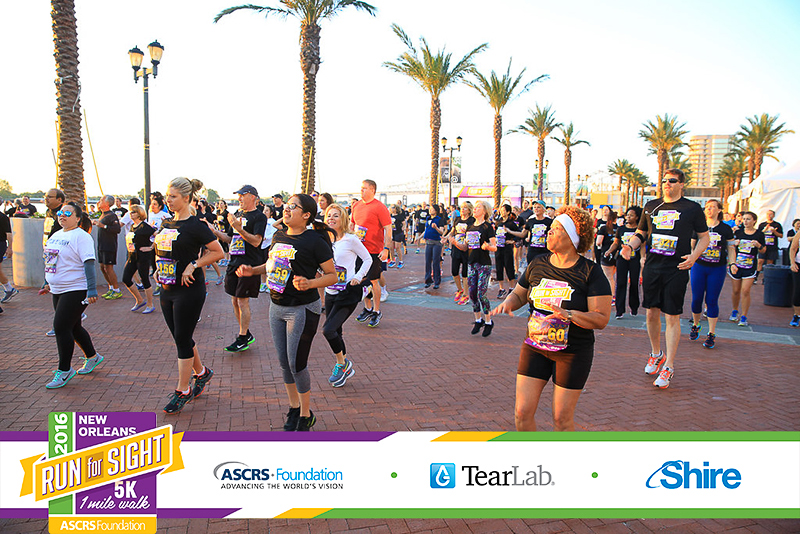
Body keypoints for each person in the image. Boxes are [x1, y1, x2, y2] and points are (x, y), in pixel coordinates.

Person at [491, 205, 611, 431]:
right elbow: (520, 294)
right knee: (521, 413)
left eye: (556, 228)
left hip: (572, 353)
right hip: (535, 347)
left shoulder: (590, 272)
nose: (549, 232)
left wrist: (569, 314)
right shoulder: (538, 263)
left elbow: (601, 318)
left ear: (572, 237)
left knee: (561, 420)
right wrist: (509, 302)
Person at [237, 194, 337, 431]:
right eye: (287, 205)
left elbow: (333, 276)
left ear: (306, 215)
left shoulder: (314, 241)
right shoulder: (279, 236)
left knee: (297, 364)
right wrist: (253, 270)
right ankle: (294, 407)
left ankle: (305, 414)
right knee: (284, 362)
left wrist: (310, 283)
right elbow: (271, 264)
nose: (287, 209)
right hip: (276, 307)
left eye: (294, 206)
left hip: (302, 309)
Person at [620, 168, 709, 389]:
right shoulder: (651, 206)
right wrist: (630, 246)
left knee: (672, 316)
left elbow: (704, 237)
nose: (667, 183)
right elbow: (641, 233)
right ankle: (656, 353)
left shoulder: (692, 208)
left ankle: (669, 365)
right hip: (653, 267)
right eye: (664, 180)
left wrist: (694, 256)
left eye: (672, 180)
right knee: (651, 313)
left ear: (681, 184)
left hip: (676, 268)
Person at [154, 177, 224, 414]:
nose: (168, 200)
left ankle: (182, 390)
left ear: (186, 198)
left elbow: (218, 252)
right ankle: (202, 373)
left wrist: (194, 264)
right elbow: (163, 251)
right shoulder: (167, 223)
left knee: (182, 338)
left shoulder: (196, 225)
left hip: (189, 289)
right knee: (180, 337)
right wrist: (158, 268)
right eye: (167, 196)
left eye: (173, 196)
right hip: (167, 288)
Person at [40, 202, 104, 388]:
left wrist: (91, 289)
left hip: (76, 288)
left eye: (67, 213)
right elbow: (51, 261)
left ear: (77, 218)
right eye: (61, 212)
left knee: (60, 327)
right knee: (74, 327)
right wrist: (47, 282)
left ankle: (65, 370)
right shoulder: (56, 235)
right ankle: (92, 356)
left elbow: (89, 263)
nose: (62, 215)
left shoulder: (82, 237)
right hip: (57, 289)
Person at [209, 185, 267, 352]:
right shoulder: (237, 215)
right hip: (234, 262)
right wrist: (215, 232)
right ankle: (245, 333)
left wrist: (240, 229)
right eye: (238, 195)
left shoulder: (259, 217)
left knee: (242, 300)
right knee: (234, 300)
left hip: (249, 264)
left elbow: (256, 241)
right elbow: (230, 238)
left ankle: (242, 337)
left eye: (243, 195)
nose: (239, 198)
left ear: (253, 197)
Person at [321, 203, 372, 387]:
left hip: (348, 292)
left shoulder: (351, 239)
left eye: (336, 215)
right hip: (330, 291)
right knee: (337, 332)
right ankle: (344, 366)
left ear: (343, 219)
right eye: (329, 215)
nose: (331, 219)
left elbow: (367, 259)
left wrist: (358, 277)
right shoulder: (324, 240)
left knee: (328, 330)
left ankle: (342, 364)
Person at [688, 199, 734, 348]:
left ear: (719, 210)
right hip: (699, 266)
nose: (709, 209)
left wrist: (732, 263)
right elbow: (691, 245)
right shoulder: (699, 227)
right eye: (707, 207)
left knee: (712, 300)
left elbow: (731, 248)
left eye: (713, 207)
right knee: (697, 299)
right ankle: (696, 324)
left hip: (717, 268)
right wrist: (691, 258)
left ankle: (711, 333)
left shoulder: (725, 229)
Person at [352, 180, 392, 328]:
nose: (361, 190)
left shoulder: (379, 207)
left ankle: (376, 311)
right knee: (362, 280)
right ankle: (367, 308)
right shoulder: (356, 205)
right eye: (361, 188)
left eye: (364, 188)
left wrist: (386, 249)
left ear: (372, 190)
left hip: (374, 250)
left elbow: (388, 229)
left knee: (374, 280)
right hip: (358, 249)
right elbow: (352, 225)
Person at [454, 200, 496, 337]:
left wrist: (488, 247)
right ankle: (478, 320)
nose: (475, 209)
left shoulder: (487, 227)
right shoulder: (470, 227)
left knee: (481, 294)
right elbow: (465, 247)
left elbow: (495, 247)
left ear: (485, 211)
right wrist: (455, 243)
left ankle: (488, 321)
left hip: (484, 264)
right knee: (472, 294)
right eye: (475, 207)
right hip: (471, 263)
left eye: (478, 207)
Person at [728, 211, 766, 327]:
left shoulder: (759, 234)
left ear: (754, 221)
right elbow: (730, 245)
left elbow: (763, 250)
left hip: (750, 266)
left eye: (748, 219)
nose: (745, 221)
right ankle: (735, 310)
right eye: (744, 219)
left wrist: (758, 245)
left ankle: (744, 316)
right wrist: (734, 243)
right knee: (736, 290)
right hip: (737, 265)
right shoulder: (738, 232)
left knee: (745, 291)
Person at [606, 206, 642, 319]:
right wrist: (609, 251)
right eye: (627, 215)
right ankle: (619, 310)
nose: (628, 217)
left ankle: (634, 307)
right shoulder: (621, 229)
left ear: (637, 217)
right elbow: (616, 242)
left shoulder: (639, 230)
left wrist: (643, 258)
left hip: (634, 259)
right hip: (622, 259)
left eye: (631, 215)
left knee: (634, 283)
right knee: (621, 283)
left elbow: (643, 245)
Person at [121, 205, 156, 314]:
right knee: (126, 278)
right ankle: (139, 300)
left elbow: (157, 235)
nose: (131, 214)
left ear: (139, 213)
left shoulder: (145, 227)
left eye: (133, 212)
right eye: (130, 212)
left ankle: (150, 304)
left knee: (145, 279)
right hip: (132, 256)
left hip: (142, 257)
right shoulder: (133, 226)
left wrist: (151, 247)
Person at [92, 195, 122, 300]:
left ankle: (117, 290)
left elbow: (117, 229)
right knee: (102, 267)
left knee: (109, 268)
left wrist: (103, 226)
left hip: (109, 245)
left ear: (107, 203)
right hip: (101, 245)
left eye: (101, 200)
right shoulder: (103, 214)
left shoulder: (112, 216)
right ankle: (111, 288)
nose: (99, 202)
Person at [446, 201, 474, 305]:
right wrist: (447, 237)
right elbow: (453, 231)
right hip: (456, 247)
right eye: (462, 207)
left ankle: (466, 294)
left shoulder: (472, 220)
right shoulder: (457, 219)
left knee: (465, 273)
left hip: (466, 248)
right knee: (454, 271)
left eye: (465, 208)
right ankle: (459, 289)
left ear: (469, 210)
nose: (462, 209)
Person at [494, 204, 522, 299]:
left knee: (509, 267)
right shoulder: (498, 223)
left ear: (508, 212)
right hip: (498, 248)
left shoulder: (511, 223)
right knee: (499, 268)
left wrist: (512, 241)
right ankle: (501, 288)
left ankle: (511, 287)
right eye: (501, 210)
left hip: (507, 248)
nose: (502, 212)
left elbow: (519, 233)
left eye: (504, 210)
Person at [755, 209, 783, 284]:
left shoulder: (777, 225)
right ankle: (755, 277)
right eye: (768, 214)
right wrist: (765, 230)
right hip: (763, 246)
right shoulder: (762, 225)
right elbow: (758, 234)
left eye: (771, 214)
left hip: (772, 247)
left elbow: (781, 235)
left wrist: (774, 231)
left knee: (770, 263)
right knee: (760, 261)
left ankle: (765, 279)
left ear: (773, 215)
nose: (769, 216)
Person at [596, 210, 618, 299]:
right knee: (612, 276)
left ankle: (610, 296)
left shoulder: (604, 228)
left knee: (608, 277)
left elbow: (598, 242)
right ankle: (613, 295)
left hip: (606, 254)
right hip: (616, 254)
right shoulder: (619, 228)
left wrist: (599, 247)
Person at [523, 200, 552, 266]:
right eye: (534, 207)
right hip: (532, 250)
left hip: (544, 251)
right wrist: (510, 231)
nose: (536, 209)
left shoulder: (549, 221)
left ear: (544, 209)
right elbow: (523, 233)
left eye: (538, 207)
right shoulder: (530, 221)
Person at [259, 204, 278, 292]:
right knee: (262, 265)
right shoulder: (261, 221)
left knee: (270, 265)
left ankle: (269, 284)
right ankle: (263, 283)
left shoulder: (272, 221)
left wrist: (266, 238)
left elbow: (274, 233)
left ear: (271, 212)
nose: (264, 212)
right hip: (261, 245)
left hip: (269, 245)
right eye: (264, 210)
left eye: (267, 211)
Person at [0, 208, 14, 309]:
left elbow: (9, 234)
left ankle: (9, 288)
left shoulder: (3, 217)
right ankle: (9, 288)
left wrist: (10, 248)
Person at [388, 204, 405, 269]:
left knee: (397, 247)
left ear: (396, 208)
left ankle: (401, 261)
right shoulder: (389, 215)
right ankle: (392, 260)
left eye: (393, 207)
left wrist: (404, 228)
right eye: (391, 207)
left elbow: (404, 223)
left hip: (398, 232)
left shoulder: (400, 216)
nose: (392, 209)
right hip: (392, 233)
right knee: (391, 247)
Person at [789, 231, 800, 327]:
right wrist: (792, 263)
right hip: (798, 265)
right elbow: (793, 248)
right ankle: (796, 315)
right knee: (798, 291)